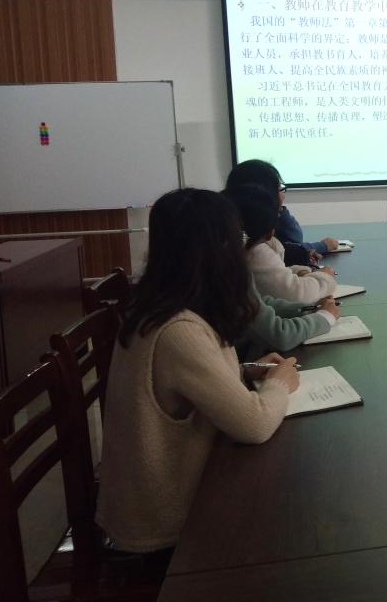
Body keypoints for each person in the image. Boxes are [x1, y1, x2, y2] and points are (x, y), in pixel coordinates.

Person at [96, 188, 299, 554]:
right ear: (217, 249)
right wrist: (280, 384)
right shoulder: (178, 330)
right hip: (164, 527)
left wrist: (247, 370)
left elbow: (183, 382)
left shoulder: (162, 304)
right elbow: (254, 424)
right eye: (236, 237)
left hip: (163, 499)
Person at [223, 186, 341, 361]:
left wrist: (307, 309)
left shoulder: (229, 265)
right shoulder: (228, 270)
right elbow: (280, 335)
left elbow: (259, 302)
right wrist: (325, 317)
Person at [226, 183, 338, 304]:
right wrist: (325, 278)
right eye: (278, 188)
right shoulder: (254, 251)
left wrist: (299, 271)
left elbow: (273, 276)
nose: (282, 193)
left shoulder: (242, 244)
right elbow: (296, 295)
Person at [225, 159, 341, 259]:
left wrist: (279, 209)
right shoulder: (253, 234)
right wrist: (322, 246)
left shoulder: (238, 219)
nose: (283, 194)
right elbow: (290, 246)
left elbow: (294, 240)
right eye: (279, 189)